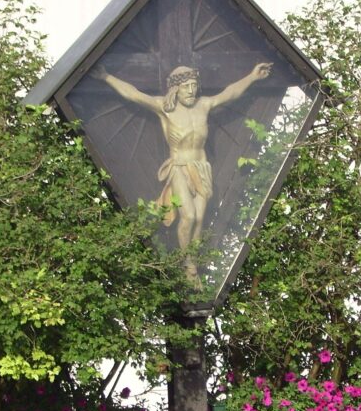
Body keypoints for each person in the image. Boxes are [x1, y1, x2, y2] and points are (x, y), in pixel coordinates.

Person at [92, 62, 272, 280]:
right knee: (188, 216)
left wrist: (252, 76)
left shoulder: (203, 105)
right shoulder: (164, 108)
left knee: (199, 219)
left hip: (201, 168)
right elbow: (134, 94)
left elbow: (229, 94)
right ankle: (187, 264)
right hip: (179, 167)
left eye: (194, 85)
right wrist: (106, 76)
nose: (191, 91)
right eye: (186, 86)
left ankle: (192, 263)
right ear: (175, 89)